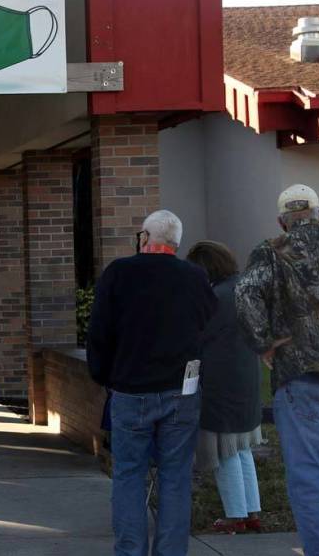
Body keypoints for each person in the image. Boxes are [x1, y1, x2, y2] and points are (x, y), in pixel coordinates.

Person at [87, 210, 217, 556]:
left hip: (131, 390)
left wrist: (103, 376)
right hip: (181, 390)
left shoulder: (119, 273)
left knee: (129, 476)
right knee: (176, 478)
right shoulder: (195, 276)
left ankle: (130, 551)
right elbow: (208, 324)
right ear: (175, 242)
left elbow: (98, 332)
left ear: (145, 237)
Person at [235, 184, 319, 556]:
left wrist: (264, 343)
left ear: (282, 222)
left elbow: (244, 295)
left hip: (299, 378)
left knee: (311, 479)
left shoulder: (271, 252)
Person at [186, 241, 263, 534]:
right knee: (242, 450)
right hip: (246, 379)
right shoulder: (244, 288)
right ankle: (252, 511)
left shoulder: (216, 297)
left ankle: (235, 516)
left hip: (221, 384)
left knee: (224, 452)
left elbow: (197, 338)